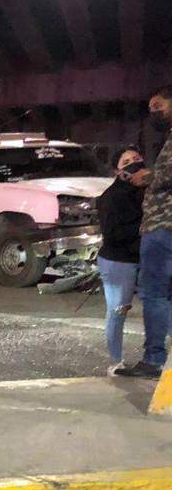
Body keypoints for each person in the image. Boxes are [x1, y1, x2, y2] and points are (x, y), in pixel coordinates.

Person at [120, 86, 172, 378]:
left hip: (162, 226)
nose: (154, 113)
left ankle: (153, 359)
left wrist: (146, 176)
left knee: (154, 293)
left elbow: (165, 173)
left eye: (159, 106)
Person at [96, 146, 147, 375]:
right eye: (127, 161)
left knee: (159, 305)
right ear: (118, 171)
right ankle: (115, 361)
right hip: (119, 261)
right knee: (118, 310)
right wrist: (143, 228)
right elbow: (113, 234)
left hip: (147, 257)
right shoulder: (111, 197)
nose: (134, 163)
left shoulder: (151, 191)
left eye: (137, 159)